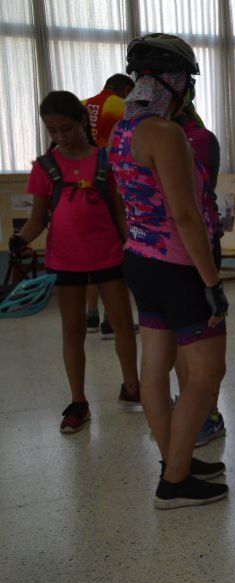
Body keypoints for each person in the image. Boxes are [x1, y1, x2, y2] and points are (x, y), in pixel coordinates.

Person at [109, 33, 228, 509]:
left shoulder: (123, 130)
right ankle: (175, 481)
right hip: (179, 267)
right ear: (175, 83)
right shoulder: (166, 133)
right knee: (207, 373)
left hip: (139, 259)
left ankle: (174, 460)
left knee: (154, 368)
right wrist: (212, 283)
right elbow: (185, 215)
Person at [8, 91, 140, 433]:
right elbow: (38, 218)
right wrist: (22, 239)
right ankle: (79, 402)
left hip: (108, 255)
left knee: (124, 325)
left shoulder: (105, 161)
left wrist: (134, 246)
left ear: (82, 120)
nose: (61, 137)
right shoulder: (44, 167)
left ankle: (131, 387)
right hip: (66, 260)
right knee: (73, 331)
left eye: (66, 128)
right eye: (53, 131)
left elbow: (120, 211)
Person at [172, 93, 226, 447]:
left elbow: (196, 196)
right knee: (180, 334)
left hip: (200, 241)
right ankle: (191, 404)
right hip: (166, 249)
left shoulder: (200, 139)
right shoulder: (145, 134)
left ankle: (208, 413)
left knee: (206, 333)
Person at [83, 74, 135, 338]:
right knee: (117, 253)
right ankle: (110, 320)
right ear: (126, 89)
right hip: (112, 183)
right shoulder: (120, 106)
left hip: (84, 187)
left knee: (91, 256)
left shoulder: (82, 104)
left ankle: (90, 316)